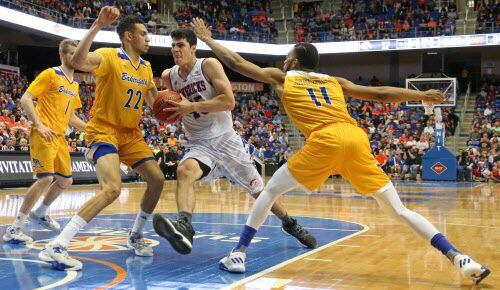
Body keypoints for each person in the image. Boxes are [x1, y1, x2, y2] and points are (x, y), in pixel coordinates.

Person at [190, 18, 490, 284]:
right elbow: (380, 94)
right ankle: (459, 258)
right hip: (355, 138)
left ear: (294, 62)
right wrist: (420, 94)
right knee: (399, 210)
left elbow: (238, 64)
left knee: (268, 192)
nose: (283, 61)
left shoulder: (285, 77)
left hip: (326, 139)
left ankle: (239, 254)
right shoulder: (335, 81)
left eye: (286, 57)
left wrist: (207, 39)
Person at [152, 28, 316, 255]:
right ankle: (185, 226)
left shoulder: (208, 65)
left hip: (226, 140)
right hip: (200, 143)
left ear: (192, 48)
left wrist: (192, 107)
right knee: (184, 171)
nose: (175, 50)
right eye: (173, 46)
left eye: (180, 45)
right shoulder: (168, 77)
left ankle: (290, 223)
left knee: (260, 191)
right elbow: (169, 106)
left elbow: (228, 101)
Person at [39, 7, 165, 271]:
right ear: (128, 36)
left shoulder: (146, 67)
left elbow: (157, 104)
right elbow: (78, 62)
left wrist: (179, 108)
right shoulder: (109, 56)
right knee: (112, 189)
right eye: (143, 34)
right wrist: (97, 25)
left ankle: (135, 235)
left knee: (157, 179)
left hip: (131, 134)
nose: (148, 38)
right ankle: (57, 246)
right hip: (104, 129)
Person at [3, 39, 86, 244]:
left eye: (78, 54)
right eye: (72, 53)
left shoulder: (74, 85)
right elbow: (25, 98)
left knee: (66, 180)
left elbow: (71, 118)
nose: (76, 57)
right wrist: (39, 125)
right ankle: (15, 228)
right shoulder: (51, 74)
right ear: (63, 55)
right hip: (44, 133)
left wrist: (94, 129)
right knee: (45, 179)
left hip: (60, 137)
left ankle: (40, 212)